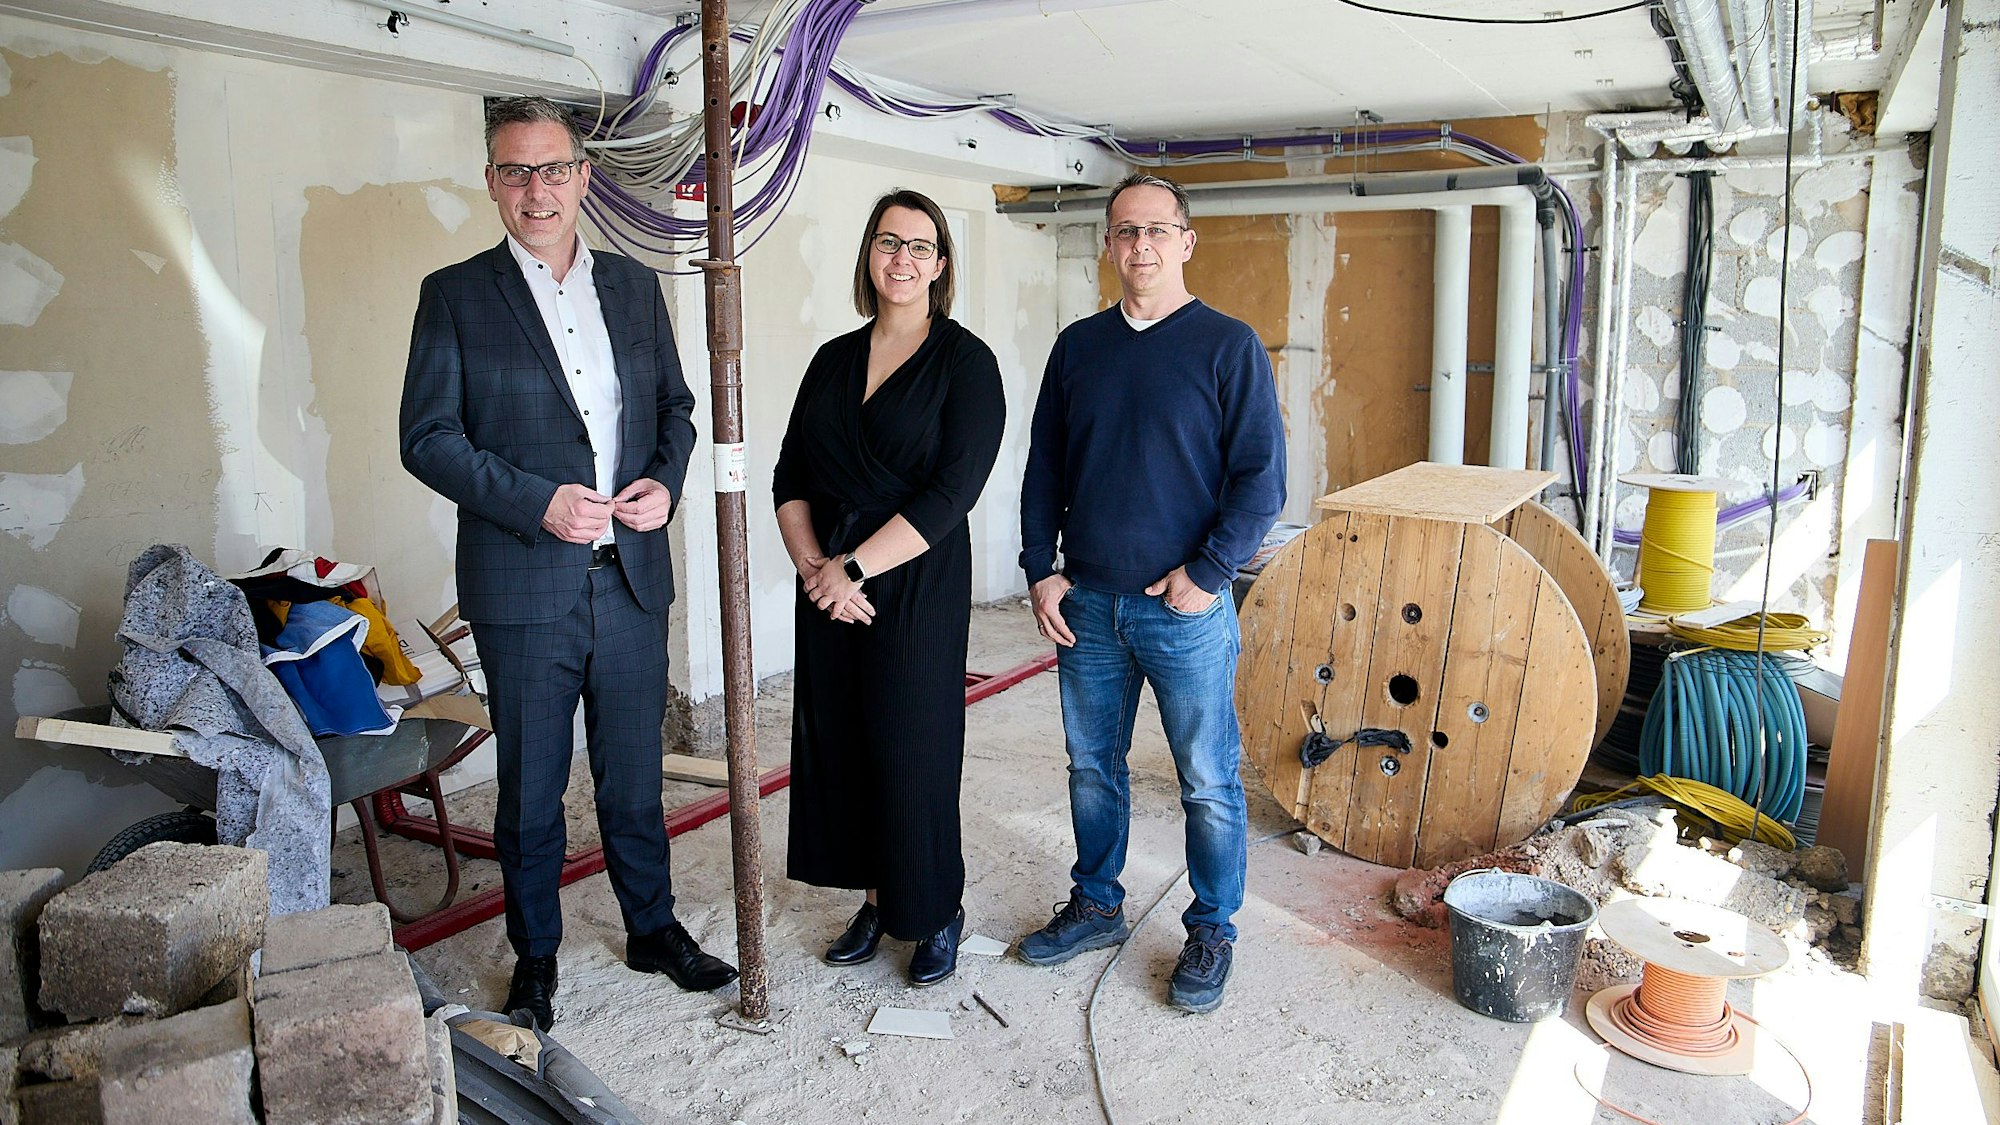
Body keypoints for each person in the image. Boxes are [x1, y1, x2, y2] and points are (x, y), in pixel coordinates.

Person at [399, 96, 736, 1031]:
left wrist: (666, 483)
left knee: (633, 774)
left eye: (553, 169)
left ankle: (652, 928)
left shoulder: (631, 287)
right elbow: (425, 437)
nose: (537, 189)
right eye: (516, 171)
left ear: (584, 177)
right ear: (493, 183)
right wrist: (534, 500)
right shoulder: (456, 294)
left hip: (628, 579)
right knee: (531, 790)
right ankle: (535, 957)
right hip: (523, 587)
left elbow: (675, 407)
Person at [1015, 172, 1285, 1014]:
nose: (1141, 246)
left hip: (1185, 610)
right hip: (1087, 602)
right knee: (1093, 767)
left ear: (1186, 241)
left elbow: (1262, 481)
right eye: (1126, 232)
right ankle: (1097, 901)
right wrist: (1040, 567)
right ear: (1109, 243)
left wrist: (1207, 575)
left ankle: (1213, 926)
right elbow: (1044, 471)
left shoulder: (1227, 345)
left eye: (1158, 231)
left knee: (1207, 777)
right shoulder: (1078, 347)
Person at [773, 190, 1006, 987]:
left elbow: (952, 492)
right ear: (868, 256)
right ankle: (877, 898)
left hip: (912, 580)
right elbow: (790, 475)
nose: (900, 260)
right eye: (886, 243)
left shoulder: (966, 362)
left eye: (918, 246)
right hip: (829, 585)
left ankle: (934, 908)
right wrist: (816, 570)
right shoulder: (833, 358)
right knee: (845, 744)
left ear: (941, 265)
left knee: (915, 746)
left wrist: (855, 568)